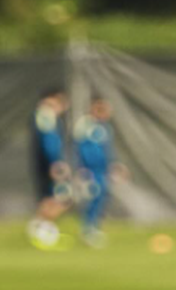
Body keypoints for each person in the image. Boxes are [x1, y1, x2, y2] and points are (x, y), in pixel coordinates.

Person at [27, 89, 72, 249]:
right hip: (49, 165)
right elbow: (49, 143)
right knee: (58, 200)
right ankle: (39, 230)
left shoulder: (50, 118)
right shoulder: (46, 116)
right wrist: (55, 163)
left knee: (51, 200)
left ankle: (40, 230)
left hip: (48, 164)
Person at [74, 98, 119, 247]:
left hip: (102, 170)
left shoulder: (104, 127)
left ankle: (94, 228)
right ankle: (88, 229)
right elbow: (82, 148)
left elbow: (107, 150)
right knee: (93, 198)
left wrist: (113, 165)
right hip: (91, 171)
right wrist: (83, 168)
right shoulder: (86, 125)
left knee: (100, 198)